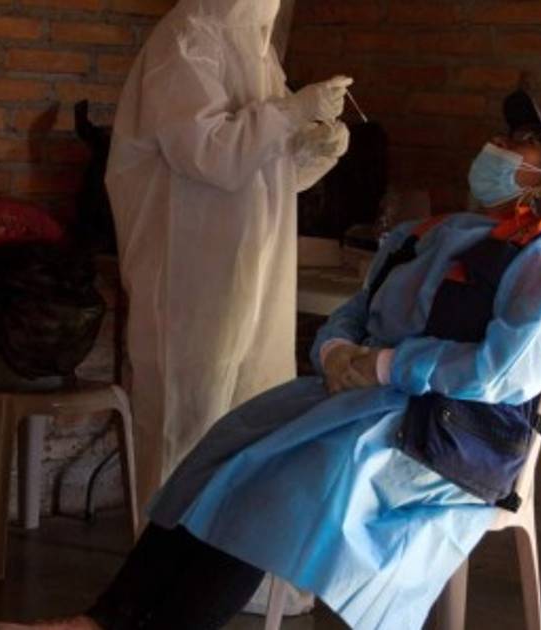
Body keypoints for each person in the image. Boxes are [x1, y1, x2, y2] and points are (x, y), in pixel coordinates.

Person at [0, 89, 541, 630]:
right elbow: (356, 311)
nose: (499, 145)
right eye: (504, 134)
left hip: (443, 436)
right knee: (222, 454)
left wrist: (387, 365)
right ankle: (104, 619)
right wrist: (336, 351)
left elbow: (505, 373)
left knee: (266, 489)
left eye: (522, 142)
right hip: (362, 401)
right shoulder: (429, 233)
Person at [105, 0, 356, 511]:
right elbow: (212, 154)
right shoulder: (187, 42)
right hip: (190, 275)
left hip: (254, 275)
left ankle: (224, 559)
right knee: (187, 427)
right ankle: (167, 557)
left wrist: (313, 148)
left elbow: (264, 176)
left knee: (250, 418)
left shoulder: (256, 50)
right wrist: (293, 112)